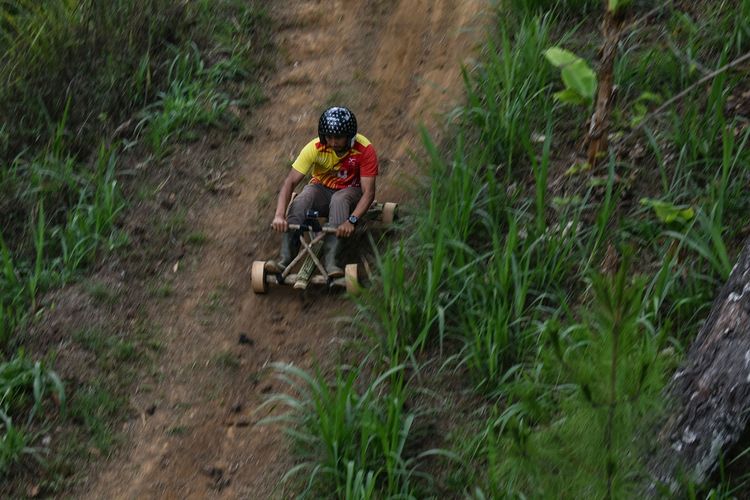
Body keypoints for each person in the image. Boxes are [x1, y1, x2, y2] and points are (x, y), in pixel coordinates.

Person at [269, 106, 378, 277]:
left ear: (349, 136)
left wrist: (352, 220)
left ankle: (332, 262)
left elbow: (369, 192)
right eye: (329, 137)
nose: (333, 142)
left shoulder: (365, 149)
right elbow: (290, 182)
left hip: (351, 191)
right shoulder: (316, 147)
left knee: (340, 199)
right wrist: (279, 215)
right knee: (304, 197)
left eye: (338, 138)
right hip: (322, 189)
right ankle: (285, 260)